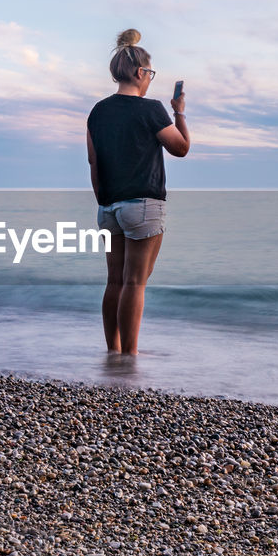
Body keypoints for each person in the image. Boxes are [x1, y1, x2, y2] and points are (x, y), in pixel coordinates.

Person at [86, 28, 190, 356]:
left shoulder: (97, 112)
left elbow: (93, 162)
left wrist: (104, 202)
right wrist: (179, 112)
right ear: (140, 72)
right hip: (143, 204)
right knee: (135, 282)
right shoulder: (151, 110)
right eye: (150, 74)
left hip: (109, 206)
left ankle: (112, 352)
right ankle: (129, 358)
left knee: (115, 281)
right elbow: (181, 148)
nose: (150, 81)